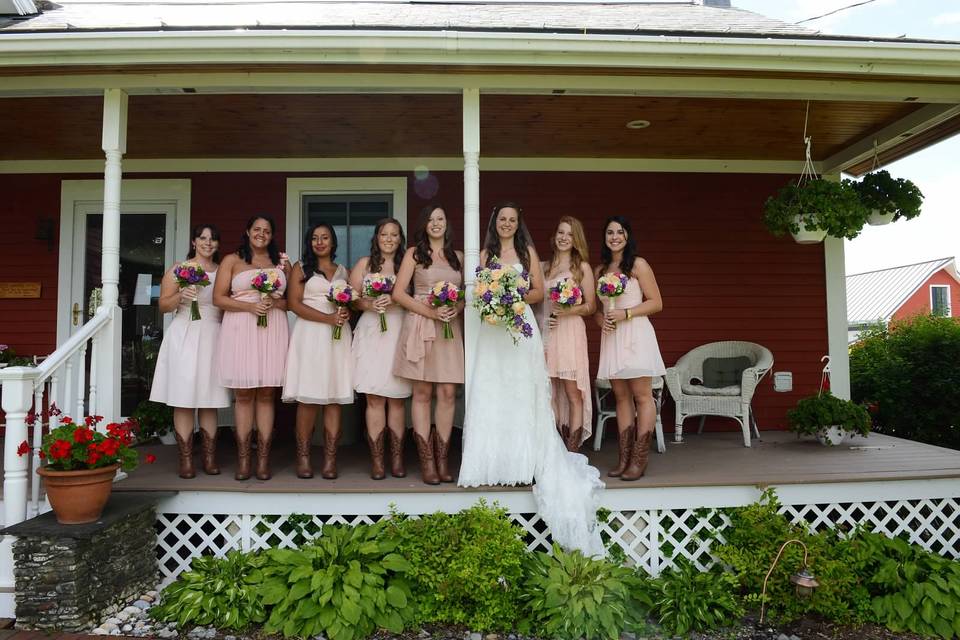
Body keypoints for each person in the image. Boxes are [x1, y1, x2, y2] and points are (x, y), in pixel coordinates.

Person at [459, 202, 605, 557]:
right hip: (494, 334)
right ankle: (491, 463)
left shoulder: (527, 252)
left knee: (522, 395)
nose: (507, 224)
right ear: (494, 224)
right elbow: (476, 291)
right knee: (494, 394)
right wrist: (492, 296)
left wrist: (512, 295)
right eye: (502, 219)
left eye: (512, 219)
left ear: (517, 224)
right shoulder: (485, 252)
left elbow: (539, 292)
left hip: (520, 331)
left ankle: (523, 462)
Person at [150, 224, 231, 478]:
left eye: (213, 239)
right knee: (184, 399)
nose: (208, 243)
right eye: (203, 238)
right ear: (194, 241)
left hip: (213, 334)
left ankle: (208, 457)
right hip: (184, 331)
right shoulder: (179, 268)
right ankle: (186, 459)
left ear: (218, 244)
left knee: (210, 399)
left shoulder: (222, 272)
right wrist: (181, 296)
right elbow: (163, 305)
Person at [213, 215, 289, 481]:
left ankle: (263, 461)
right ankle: (244, 459)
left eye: (267, 230)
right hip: (241, 328)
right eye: (257, 229)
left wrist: (275, 301)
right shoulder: (232, 260)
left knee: (267, 394)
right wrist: (249, 306)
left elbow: (292, 302)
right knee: (244, 395)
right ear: (247, 232)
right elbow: (218, 298)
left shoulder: (280, 263)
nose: (261, 234)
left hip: (273, 329)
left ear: (272, 235)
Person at [392, 205, 464, 485]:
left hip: (449, 329)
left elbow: (465, 294)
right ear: (424, 224)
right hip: (422, 324)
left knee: (447, 392)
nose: (436, 223)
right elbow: (399, 293)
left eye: (441, 219)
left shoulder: (457, 257)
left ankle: (443, 458)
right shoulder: (414, 253)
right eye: (431, 219)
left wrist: (455, 307)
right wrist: (431, 312)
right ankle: (427, 462)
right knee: (422, 391)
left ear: (447, 224)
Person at [594, 215, 665, 481]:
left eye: (620, 232)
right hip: (612, 338)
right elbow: (598, 311)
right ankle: (623, 459)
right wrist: (603, 322)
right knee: (620, 396)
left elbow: (657, 302)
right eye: (610, 232)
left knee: (642, 395)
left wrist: (627, 314)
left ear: (627, 236)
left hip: (635, 332)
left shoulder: (638, 264)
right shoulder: (599, 270)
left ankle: (639, 459)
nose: (614, 237)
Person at [282, 222, 354, 479]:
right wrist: (327, 320)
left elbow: (351, 303)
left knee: (334, 397)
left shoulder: (343, 271)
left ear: (333, 242)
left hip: (337, 338)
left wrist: (345, 311)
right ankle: (303, 457)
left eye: (325, 237)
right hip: (311, 335)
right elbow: (293, 304)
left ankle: (330, 460)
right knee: (308, 397)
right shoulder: (302, 268)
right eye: (314, 238)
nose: (320, 242)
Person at [350, 218, 412, 480]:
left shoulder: (407, 264)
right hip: (371, 331)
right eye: (384, 234)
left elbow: (414, 297)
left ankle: (396, 459)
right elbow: (350, 298)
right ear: (376, 237)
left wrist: (395, 302)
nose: (388, 238)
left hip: (398, 330)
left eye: (394, 234)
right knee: (374, 396)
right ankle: (377, 460)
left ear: (400, 239)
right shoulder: (365, 264)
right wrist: (368, 304)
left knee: (397, 398)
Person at [541, 216, 596, 452]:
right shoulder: (544, 267)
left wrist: (566, 311)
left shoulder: (581, 268)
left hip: (570, 332)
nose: (564, 238)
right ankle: (554, 446)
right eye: (561, 232)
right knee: (548, 391)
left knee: (573, 392)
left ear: (576, 240)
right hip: (548, 333)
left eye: (570, 234)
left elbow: (591, 306)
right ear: (555, 236)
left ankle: (572, 450)